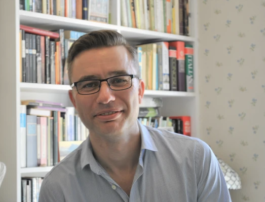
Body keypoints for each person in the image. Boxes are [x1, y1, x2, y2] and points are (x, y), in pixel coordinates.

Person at [39, 30, 231, 202]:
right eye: (89, 84)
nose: (106, 97)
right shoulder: (57, 187)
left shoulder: (196, 160)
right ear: (74, 100)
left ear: (139, 91)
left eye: (119, 80)